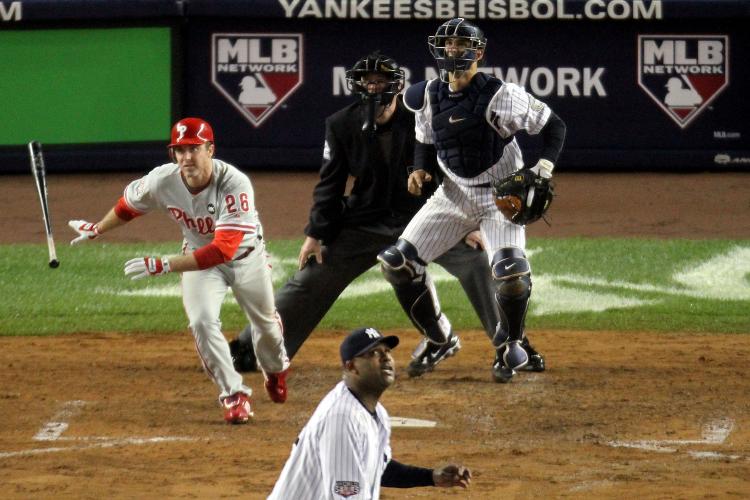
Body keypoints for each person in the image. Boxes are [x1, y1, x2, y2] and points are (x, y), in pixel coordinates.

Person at [229, 52, 545, 379]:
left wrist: (470, 224)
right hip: (366, 222)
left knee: (478, 263)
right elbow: (330, 185)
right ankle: (252, 347)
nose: (373, 88)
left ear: (395, 86)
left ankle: (513, 344)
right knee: (312, 276)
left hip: (431, 216)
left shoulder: (426, 117)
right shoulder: (341, 124)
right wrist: (315, 234)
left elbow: (455, 170)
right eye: (368, 82)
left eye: (380, 82)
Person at [378, 18, 566, 383]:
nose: (452, 50)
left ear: (478, 52)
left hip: (501, 197)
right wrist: (418, 170)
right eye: (447, 43)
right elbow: (425, 140)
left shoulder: (502, 96)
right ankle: (439, 337)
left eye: (460, 44)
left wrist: (543, 169)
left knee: (511, 277)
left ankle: (511, 345)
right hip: (452, 194)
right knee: (396, 263)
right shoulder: (427, 94)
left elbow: (554, 126)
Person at [67, 117, 290, 424]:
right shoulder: (163, 180)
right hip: (200, 261)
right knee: (200, 321)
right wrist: (98, 229)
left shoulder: (234, 183)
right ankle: (233, 395)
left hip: (245, 258)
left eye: (194, 149)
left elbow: (223, 250)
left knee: (265, 325)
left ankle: (276, 370)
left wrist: (164, 264)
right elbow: (129, 205)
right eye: (180, 150)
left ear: (210, 149)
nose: (186, 157)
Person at [268, 327, 472, 499]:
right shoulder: (342, 418)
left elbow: (377, 466)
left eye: (387, 351)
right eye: (374, 353)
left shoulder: (376, 413)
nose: (386, 357)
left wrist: (431, 477)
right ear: (351, 367)